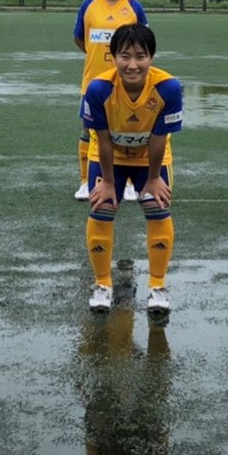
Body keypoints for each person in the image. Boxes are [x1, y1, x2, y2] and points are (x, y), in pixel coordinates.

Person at [81, 24, 181, 314]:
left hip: (150, 158)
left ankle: (157, 286)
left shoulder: (168, 88)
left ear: (152, 57)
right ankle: (102, 284)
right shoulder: (98, 89)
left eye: (141, 56)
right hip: (108, 155)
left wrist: (153, 179)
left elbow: (159, 139)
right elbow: (101, 138)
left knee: (156, 205)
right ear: (113, 57)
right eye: (125, 56)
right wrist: (108, 182)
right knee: (102, 206)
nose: (132, 65)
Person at [72, 0, 148, 202]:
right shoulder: (89, 5)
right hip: (94, 81)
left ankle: (128, 183)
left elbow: (144, 42)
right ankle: (86, 181)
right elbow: (80, 38)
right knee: (89, 130)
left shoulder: (134, 7)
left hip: (127, 82)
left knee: (126, 130)